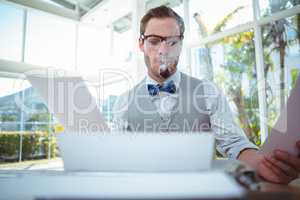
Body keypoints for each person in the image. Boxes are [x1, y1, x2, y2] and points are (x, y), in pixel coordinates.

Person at [112, 5, 300, 184]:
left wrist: (264, 165)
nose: (163, 50)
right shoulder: (123, 102)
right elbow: (118, 159)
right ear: (141, 44)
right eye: (154, 41)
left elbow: (234, 143)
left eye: (172, 42)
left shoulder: (208, 92)